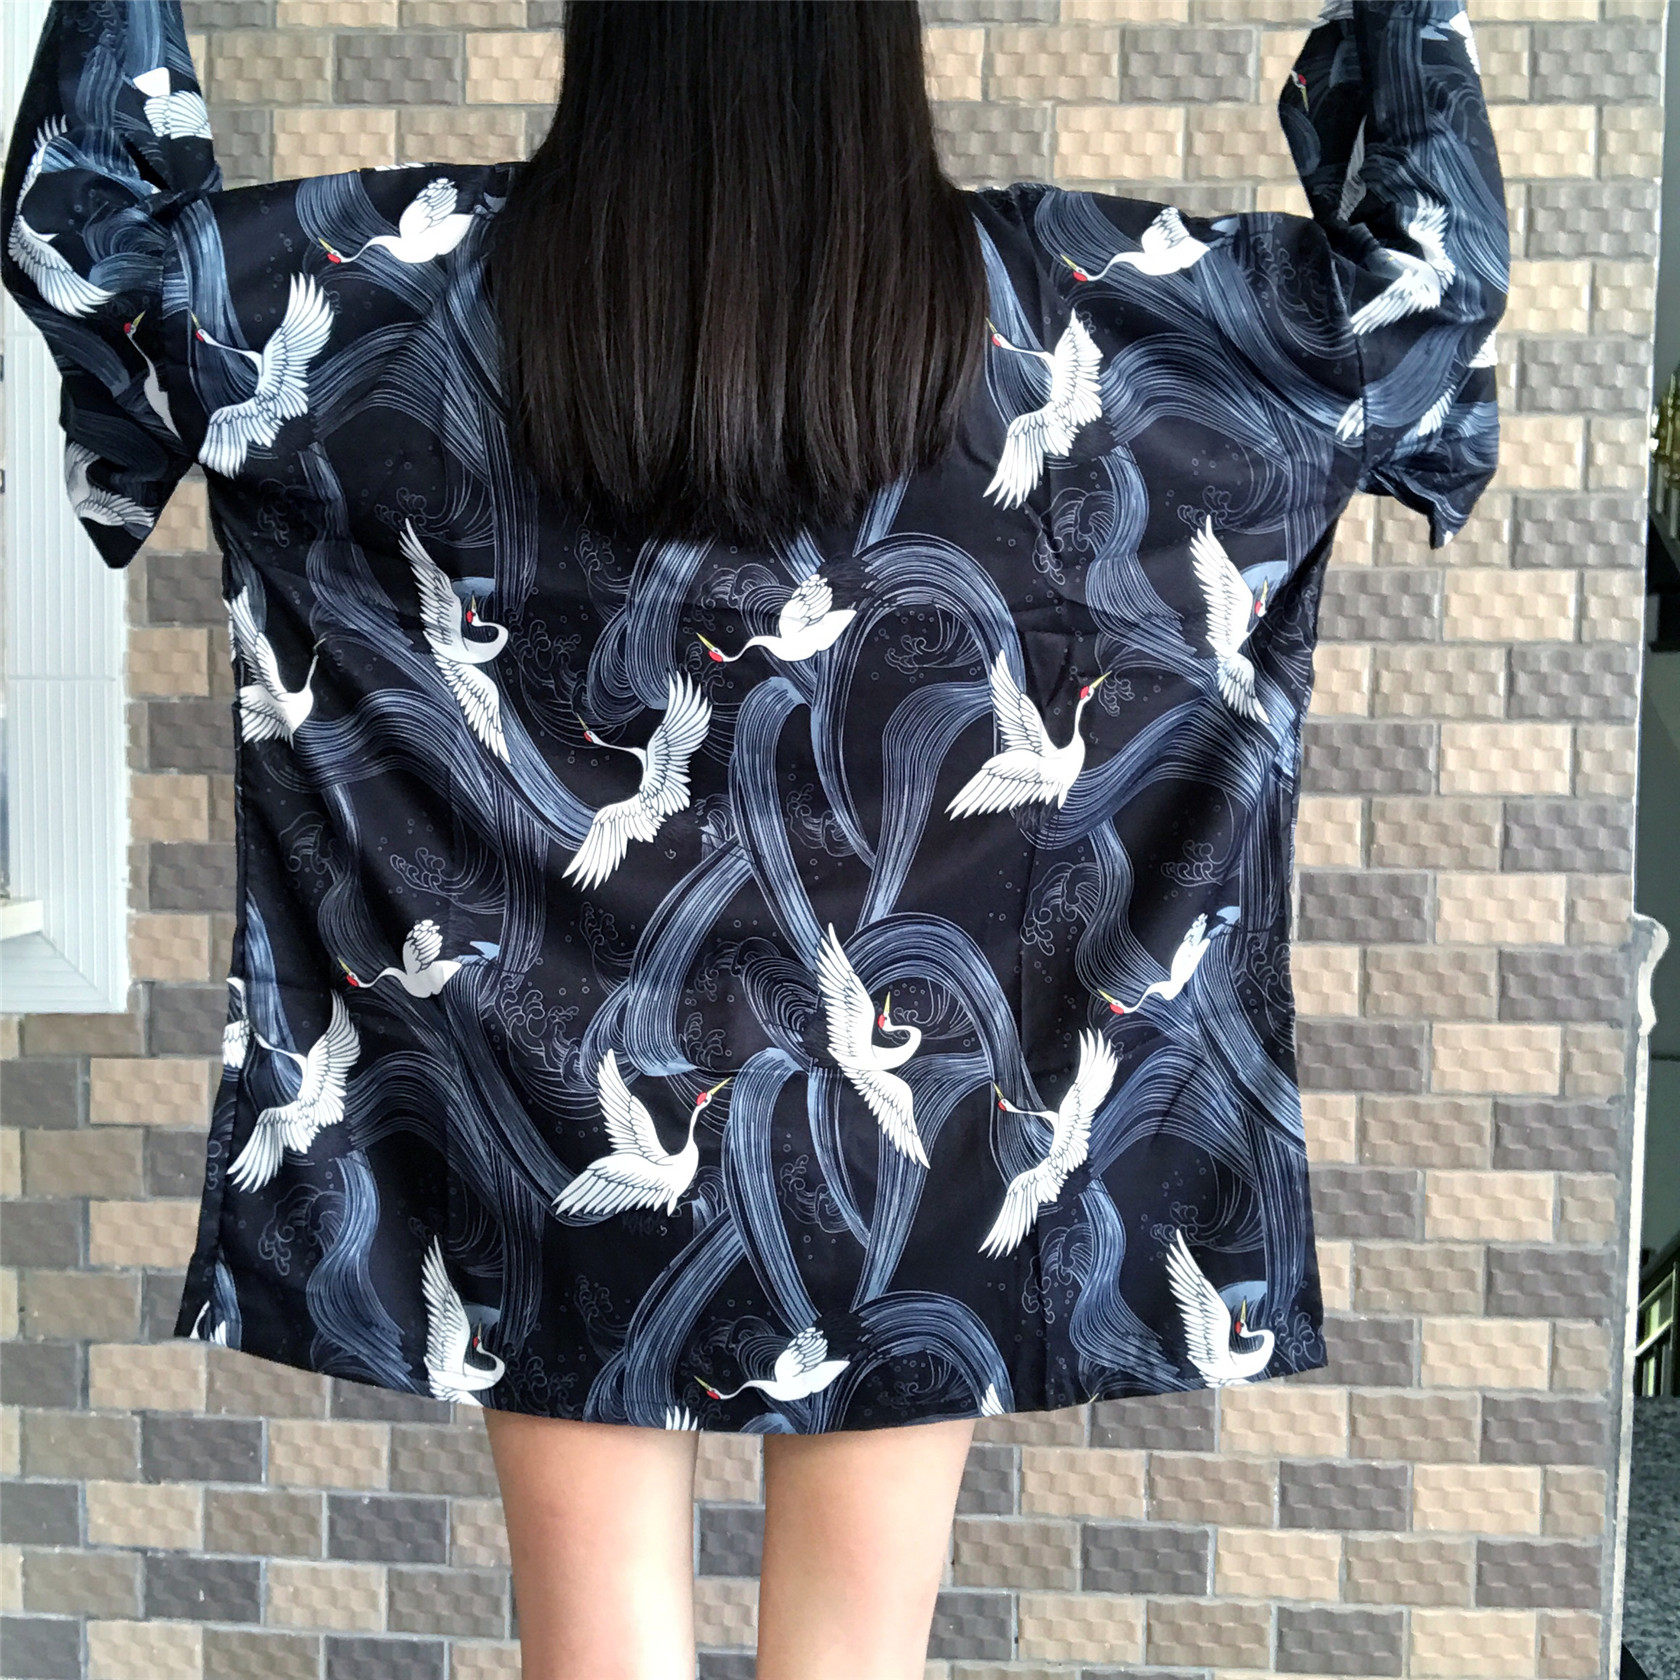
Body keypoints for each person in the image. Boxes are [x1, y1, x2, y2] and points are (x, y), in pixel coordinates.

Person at [0, 2, 1506, 1675]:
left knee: (592, 1656)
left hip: (535, 1098)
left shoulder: (414, 295)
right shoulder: (1062, 304)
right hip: (918, 1155)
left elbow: (94, 241)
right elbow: (1422, 292)